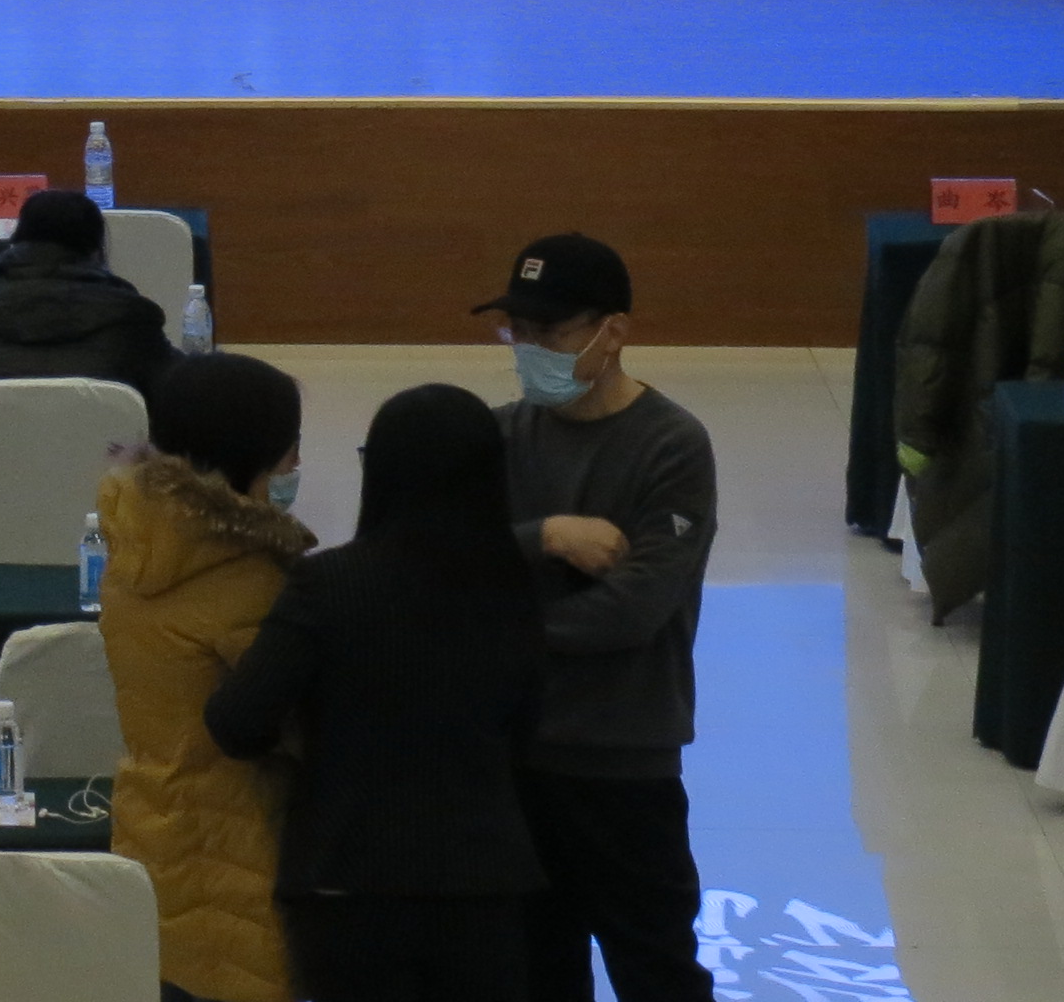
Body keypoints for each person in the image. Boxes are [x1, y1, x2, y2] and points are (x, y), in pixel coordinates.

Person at [207, 384, 548, 1002]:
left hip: (346, 877)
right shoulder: (515, 588)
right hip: (482, 881)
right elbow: (527, 728)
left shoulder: (326, 584)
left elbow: (237, 720)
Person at [476, 234, 720, 1002]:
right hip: (517, 762)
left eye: (549, 331)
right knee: (535, 974)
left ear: (613, 332)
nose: (528, 349)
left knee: (657, 972)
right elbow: (438, 562)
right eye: (517, 330)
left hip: (622, 765)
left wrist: (495, 624)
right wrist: (543, 537)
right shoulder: (497, 435)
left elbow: (633, 609)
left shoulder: (671, 445)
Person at [95, 350, 313, 1002]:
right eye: (288, 448)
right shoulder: (245, 576)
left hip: (152, 822)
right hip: (239, 848)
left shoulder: (137, 536)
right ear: (249, 454)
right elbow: (298, 718)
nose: (295, 464)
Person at [0, 188, 179, 429]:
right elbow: (174, 398)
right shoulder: (131, 319)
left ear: (16, 239)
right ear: (96, 250)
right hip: (106, 467)